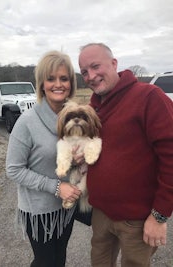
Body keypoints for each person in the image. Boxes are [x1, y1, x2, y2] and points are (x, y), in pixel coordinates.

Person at [78, 43, 173, 267]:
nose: (90, 76)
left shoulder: (149, 97)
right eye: (84, 72)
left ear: (114, 64)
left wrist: (159, 215)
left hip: (137, 219)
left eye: (95, 66)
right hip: (101, 213)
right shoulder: (94, 108)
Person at [6, 50, 82, 267]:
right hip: (39, 212)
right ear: (41, 84)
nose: (58, 84)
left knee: (59, 259)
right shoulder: (26, 122)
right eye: (51, 79)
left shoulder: (72, 118)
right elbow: (13, 169)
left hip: (66, 208)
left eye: (64, 78)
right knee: (45, 262)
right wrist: (57, 187)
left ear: (71, 83)